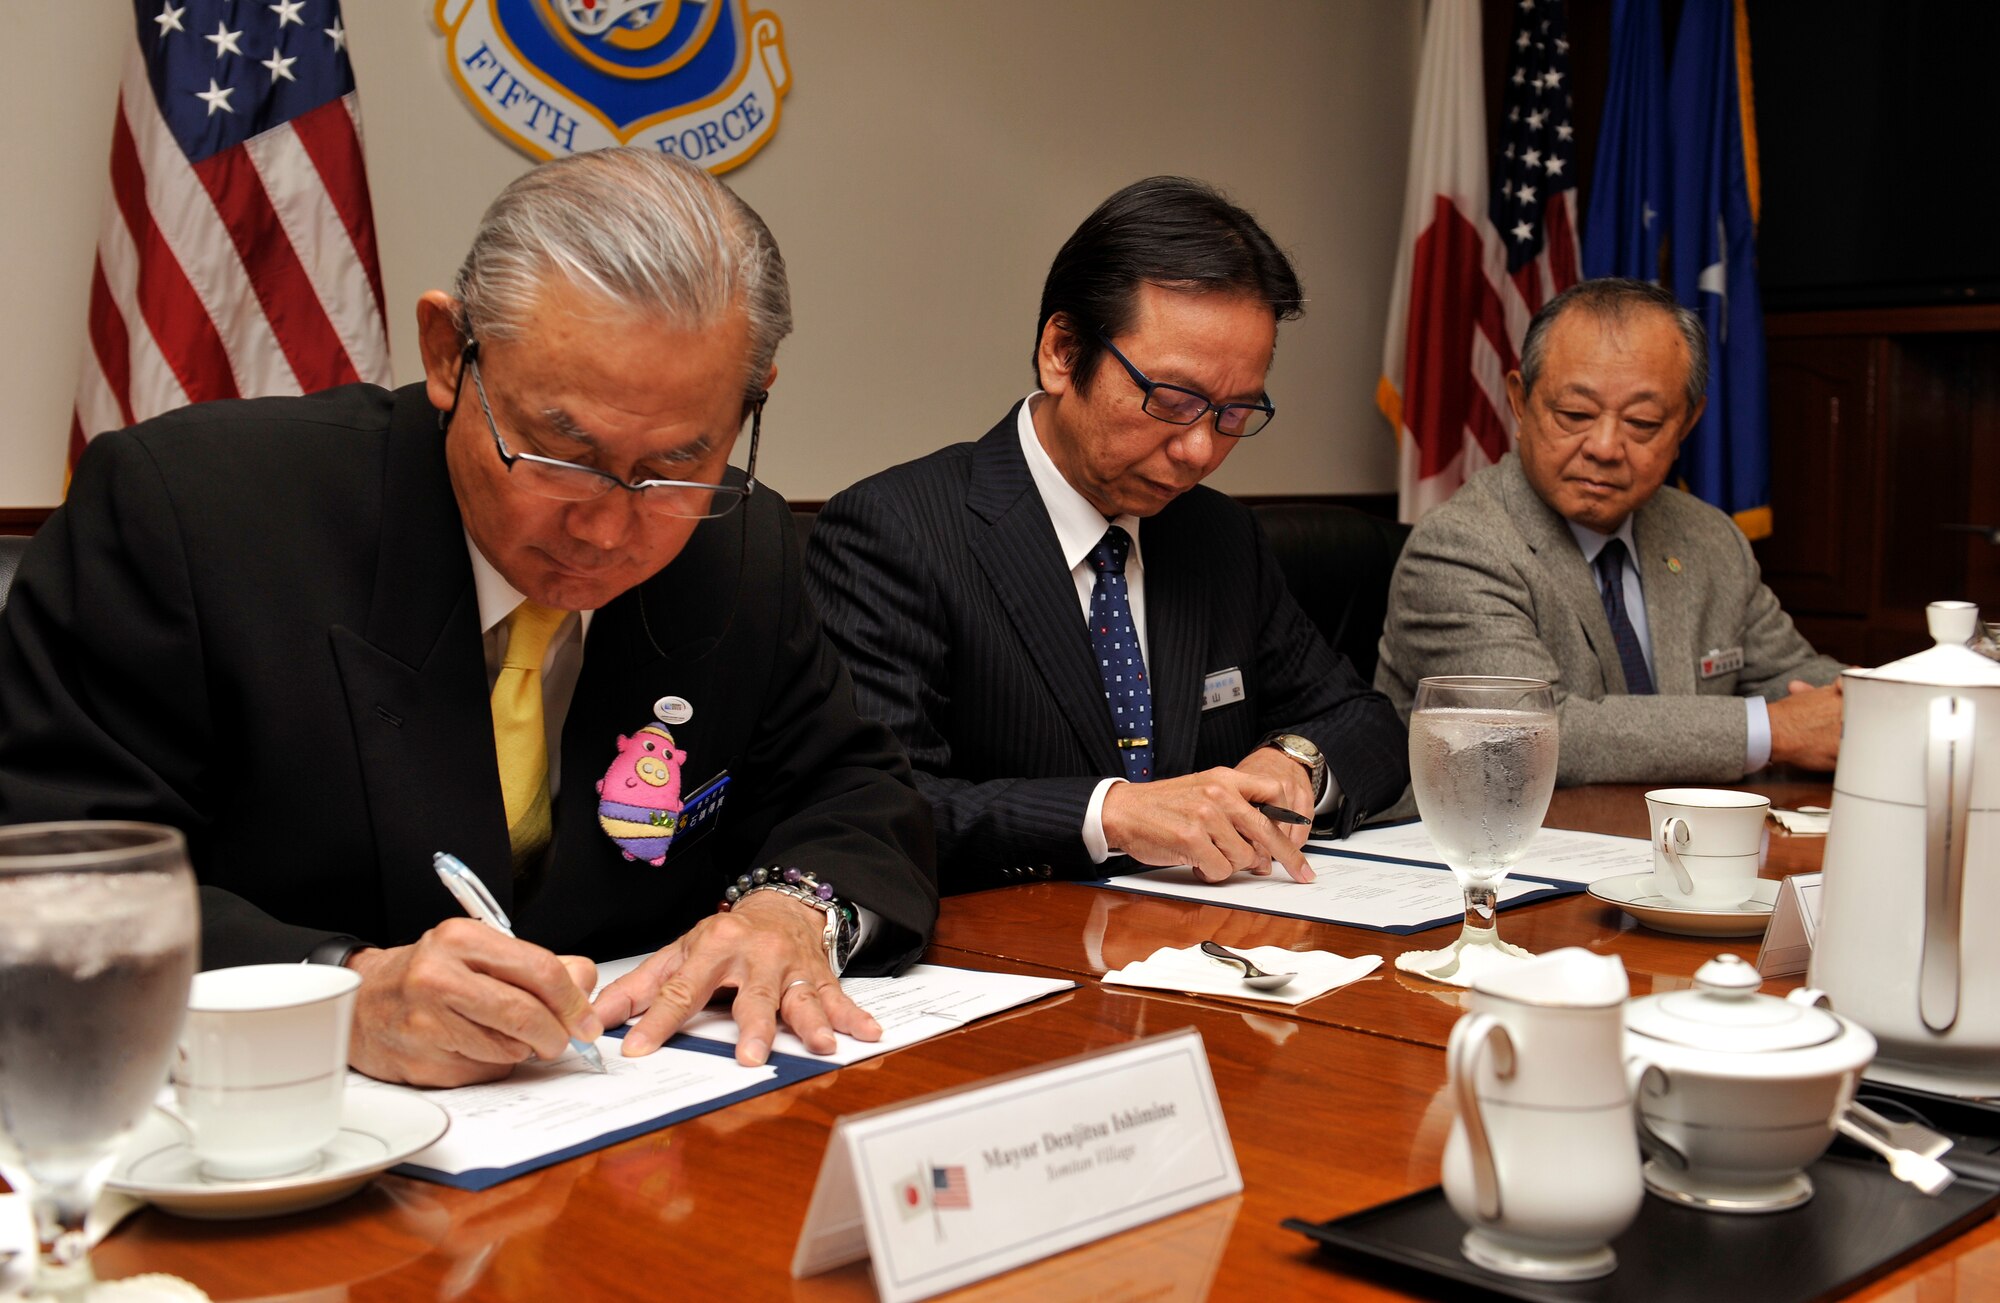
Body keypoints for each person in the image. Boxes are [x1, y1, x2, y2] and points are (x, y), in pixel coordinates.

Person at [0, 150, 937, 1085]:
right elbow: (45, 881)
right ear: (450, 354)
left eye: (676, 465)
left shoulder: (740, 548)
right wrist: (337, 991)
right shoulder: (190, 514)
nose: (609, 528)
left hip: (634, 1145)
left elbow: (857, 793)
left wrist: (789, 911)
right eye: (562, 452)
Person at [804, 177, 1407, 893]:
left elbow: (1364, 722)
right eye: (1173, 401)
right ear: (1061, 352)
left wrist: (1296, 760)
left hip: (1212, 947)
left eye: (1235, 414)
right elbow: (878, 806)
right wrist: (1111, 814)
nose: (1200, 452)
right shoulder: (895, 533)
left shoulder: (1218, 537)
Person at [1375, 277, 1844, 786]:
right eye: (1575, 414)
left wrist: (1885, 703)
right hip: (1505, 853)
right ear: (1519, 401)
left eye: (1642, 422)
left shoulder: (1710, 538)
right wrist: (1770, 730)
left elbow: (1796, 683)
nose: (1604, 446)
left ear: (1686, 423)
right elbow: (1530, 737)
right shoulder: (1459, 547)